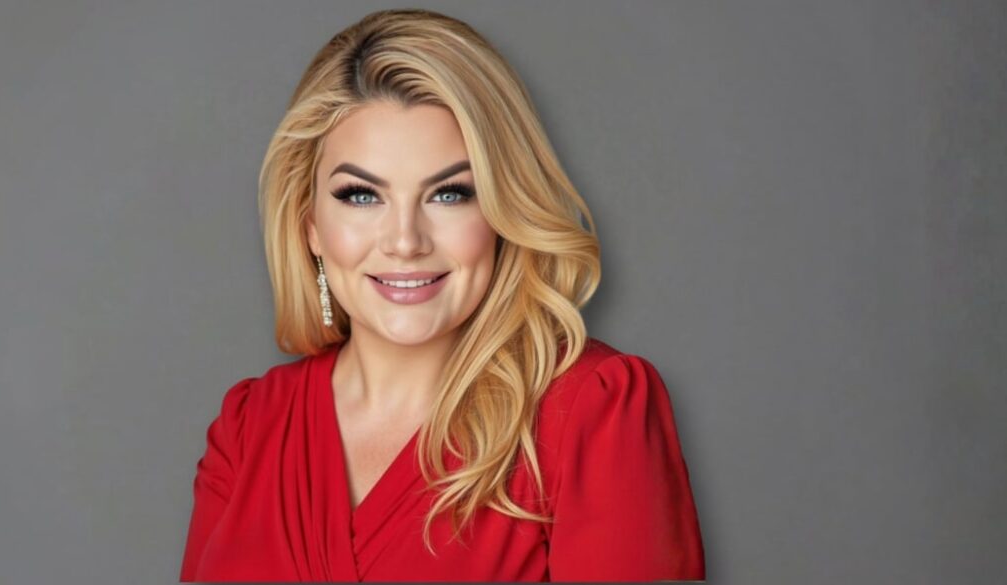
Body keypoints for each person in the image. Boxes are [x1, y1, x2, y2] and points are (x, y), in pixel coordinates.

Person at [180, 8, 705, 582]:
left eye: (450, 194)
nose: (405, 241)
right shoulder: (250, 427)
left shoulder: (590, 412)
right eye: (361, 195)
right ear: (309, 224)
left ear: (505, 211)